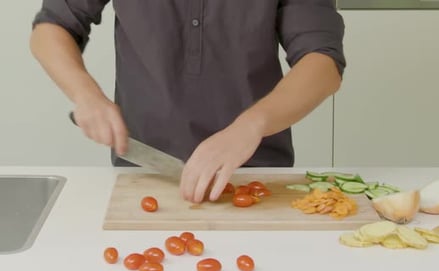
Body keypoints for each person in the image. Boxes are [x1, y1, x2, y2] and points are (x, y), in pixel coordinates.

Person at [30, 0, 346, 203]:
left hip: (254, 177)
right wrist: (85, 93)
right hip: (141, 171)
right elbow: (51, 27)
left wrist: (251, 125)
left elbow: (322, 62)